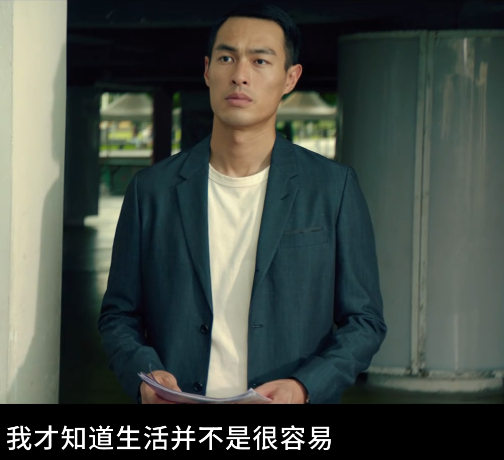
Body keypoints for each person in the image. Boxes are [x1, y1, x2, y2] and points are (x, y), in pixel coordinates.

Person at [97, 3, 387, 404]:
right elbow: (119, 314)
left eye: (260, 60)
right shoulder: (152, 190)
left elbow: (364, 321)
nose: (240, 75)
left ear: (290, 77)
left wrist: (305, 386)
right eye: (227, 58)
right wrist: (145, 373)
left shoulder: (332, 187)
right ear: (207, 70)